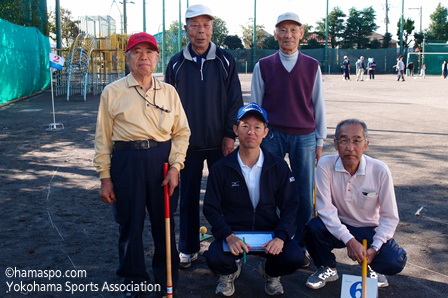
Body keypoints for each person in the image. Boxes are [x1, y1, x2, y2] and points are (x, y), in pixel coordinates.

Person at [93, 32, 191, 297]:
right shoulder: (112, 92)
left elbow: (182, 132)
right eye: (137, 52)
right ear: (128, 58)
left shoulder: (169, 92)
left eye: (149, 51)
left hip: (162, 163)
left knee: (165, 224)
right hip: (127, 163)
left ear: (157, 58)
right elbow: (103, 138)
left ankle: (166, 278)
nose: (143, 57)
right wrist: (105, 177)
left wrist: (175, 167)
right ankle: (134, 281)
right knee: (130, 225)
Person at [165, 4, 243, 269]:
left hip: (219, 143)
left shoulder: (225, 60)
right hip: (186, 146)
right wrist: (174, 140)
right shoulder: (175, 63)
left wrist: (229, 135)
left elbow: (235, 101)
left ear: (212, 28)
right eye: (195, 25)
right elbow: (167, 106)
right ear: (186, 29)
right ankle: (188, 247)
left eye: (206, 25)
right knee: (186, 198)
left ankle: (227, 244)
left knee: (225, 197)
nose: (201, 31)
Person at [203, 103, 305, 296]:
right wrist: (228, 235)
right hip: (235, 234)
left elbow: (291, 205)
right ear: (235, 130)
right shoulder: (221, 168)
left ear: (265, 132)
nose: (251, 131)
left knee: (294, 256)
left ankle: (270, 272)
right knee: (214, 257)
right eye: (245, 126)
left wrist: (281, 237)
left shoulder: (278, 166)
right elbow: (211, 208)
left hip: (268, 233)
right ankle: (230, 272)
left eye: (257, 127)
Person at [250, 12, 327, 262]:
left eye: (293, 30)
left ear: (301, 33)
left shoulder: (312, 66)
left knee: (304, 192)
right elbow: (256, 107)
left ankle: (300, 244)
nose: (288, 35)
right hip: (272, 135)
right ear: (275, 33)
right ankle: (270, 239)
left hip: (304, 136)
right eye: (283, 30)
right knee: (270, 189)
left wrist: (319, 140)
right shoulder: (263, 65)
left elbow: (319, 105)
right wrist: (256, 136)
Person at [304, 119, 407, 290]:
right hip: (339, 224)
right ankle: (327, 267)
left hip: (369, 229)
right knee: (313, 228)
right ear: (335, 144)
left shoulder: (380, 170)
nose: (350, 147)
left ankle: (372, 267)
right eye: (344, 141)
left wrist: (375, 247)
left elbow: (390, 217)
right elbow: (326, 211)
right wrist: (350, 240)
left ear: (366, 144)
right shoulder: (325, 165)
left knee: (395, 259)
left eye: (357, 141)